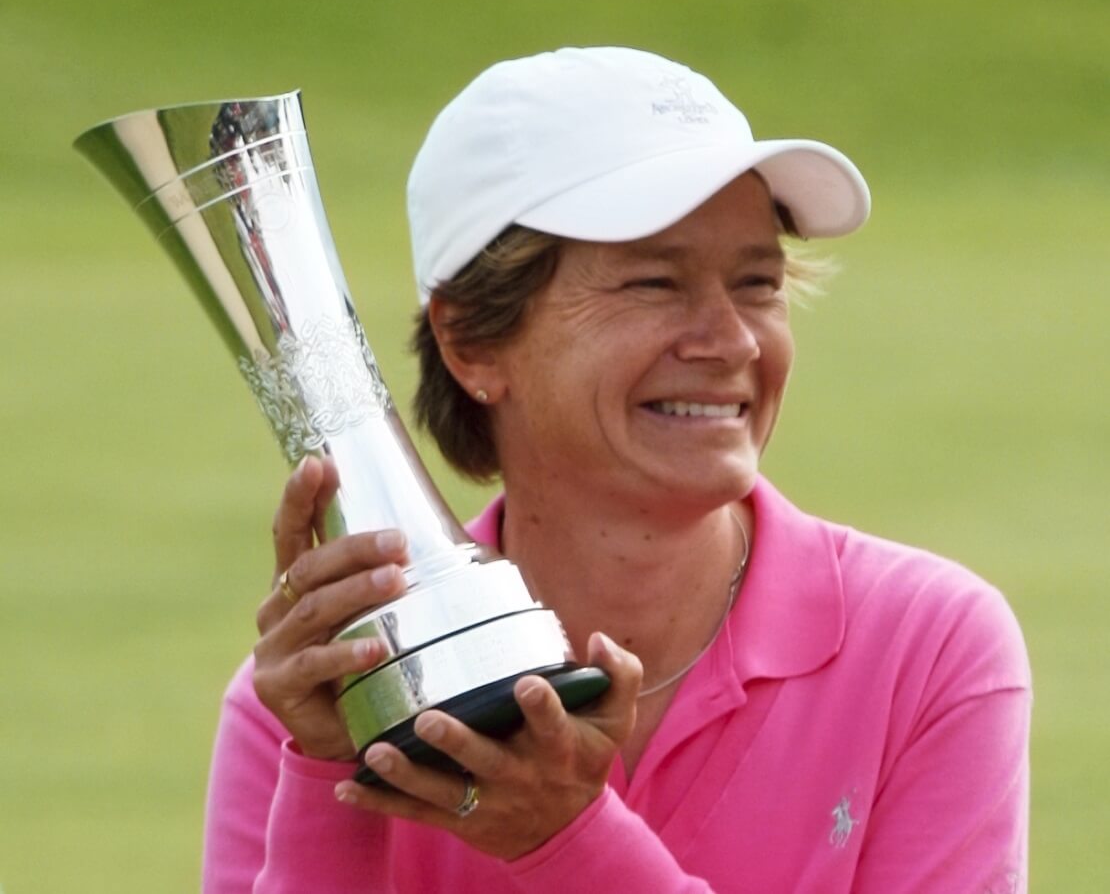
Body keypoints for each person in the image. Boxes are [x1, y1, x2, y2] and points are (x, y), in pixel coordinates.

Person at [202, 47, 1031, 892]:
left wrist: (568, 843)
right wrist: (326, 781)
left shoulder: (929, 650)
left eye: (758, 283)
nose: (733, 339)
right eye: (653, 284)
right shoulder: (318, 695)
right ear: (471, 342)